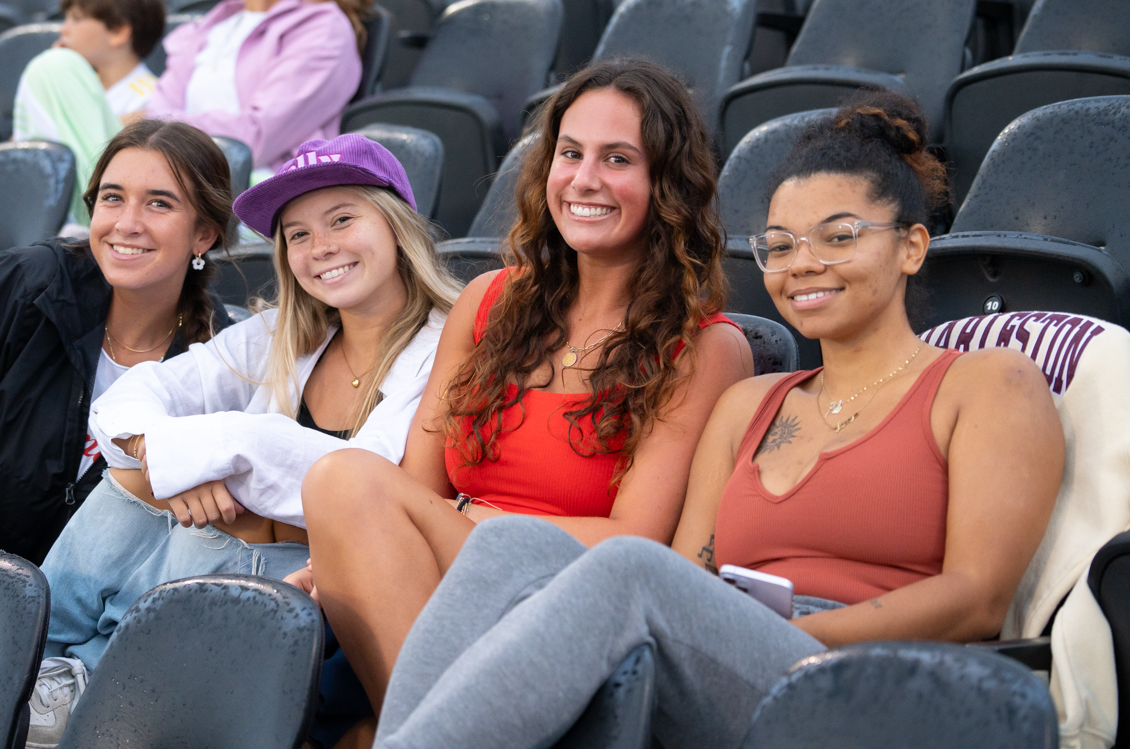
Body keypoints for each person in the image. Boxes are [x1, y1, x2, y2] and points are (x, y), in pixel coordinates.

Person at [365, 92, 1067, 749]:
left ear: (912, 246)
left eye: (839, 237)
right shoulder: (750, 405)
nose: (805, 264)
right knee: (509, 546)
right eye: (783, 244)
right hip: (739, 666)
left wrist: (790, 623)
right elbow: (684, 574)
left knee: (627, 568)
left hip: (884, 680)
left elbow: (978, 598)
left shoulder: (987, 382)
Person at [291, 59, 754, 734]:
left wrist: (473, 524)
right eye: (570, 153)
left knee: (343, 480)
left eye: (618, 158)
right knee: (342, 487)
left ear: (667, 184)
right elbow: (415, 490)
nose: (585, 178)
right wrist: (353, 551)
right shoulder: (487, 303)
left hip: (564, 597)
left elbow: (635, 543)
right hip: (445, 588)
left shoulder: (704, 346)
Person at [22, 134, 460, 748]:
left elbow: (360, 475)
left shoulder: (445, 344)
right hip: (228, 577)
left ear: (395, 225)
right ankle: (33, 663)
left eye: (341, 220)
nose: (320, 247)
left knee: (196, 499)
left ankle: (83, 686)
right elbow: (128, 400)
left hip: (321, 600)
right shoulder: (285, 332)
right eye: (298, 234)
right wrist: (168, 458)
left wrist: (216, 448)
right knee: (129, 479)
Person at [0, 120, 235, 638]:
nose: (127, 223)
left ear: (204, 234)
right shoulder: (28, 284)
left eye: (159, 204)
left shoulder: (219, 363)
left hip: (86, 633)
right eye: (112, 198)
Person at [139, 0, 373, 175]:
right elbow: (153, 121)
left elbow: (252, 140)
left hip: (260, 204)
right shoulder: (211, 26)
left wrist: (160, 127)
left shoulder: (323, 31)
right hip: (176, 186)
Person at [11, 0, 168, 228]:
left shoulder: (153, 95)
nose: (64, 29)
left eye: (76, 18)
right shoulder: (63, 89)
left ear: (118, 31)